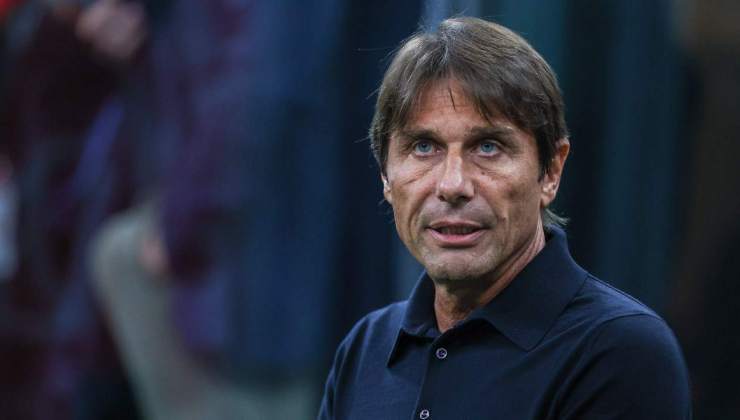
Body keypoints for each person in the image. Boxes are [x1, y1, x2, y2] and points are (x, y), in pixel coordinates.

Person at [318, 17, 691, 419]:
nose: (453, 184)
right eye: (424, 147)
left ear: (551, 171)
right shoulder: (366, 349)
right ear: (385, 175)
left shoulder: (619, 353)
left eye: (488, 147)